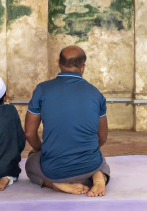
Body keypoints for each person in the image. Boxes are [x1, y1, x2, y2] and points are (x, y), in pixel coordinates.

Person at [24, 46, 110, 197]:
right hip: (89, 166)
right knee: (102, 162)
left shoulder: (42, 90)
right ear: (83, 67)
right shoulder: (96, 94)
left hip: (55, 170)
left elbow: (29, 133)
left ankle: (54, 184)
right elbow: (102, 137)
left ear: (58, 63)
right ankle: (99, 176)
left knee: (30, 164)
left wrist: (40, 148)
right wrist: (84, 151)